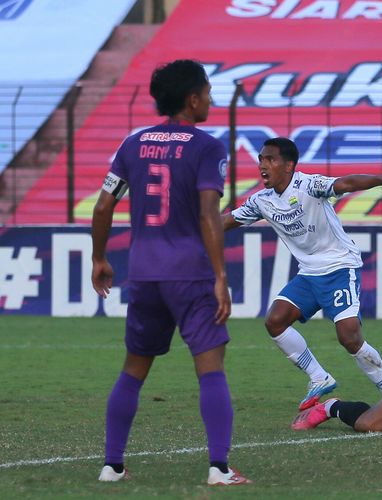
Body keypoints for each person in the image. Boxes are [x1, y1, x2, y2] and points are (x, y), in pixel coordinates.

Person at [91, 59, 249, 486]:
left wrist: (99, 258)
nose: (213, 99)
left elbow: (104, 205)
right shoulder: (207, 146)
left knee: (133, 368)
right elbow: (207, 214)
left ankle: (112, 465)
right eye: (209, 92)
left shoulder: (133, 143)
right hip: (191, 274)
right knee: (211, 369)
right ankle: (219, 468)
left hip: (143, 273)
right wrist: (220, 276)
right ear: (192, 98)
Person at [224, 137, 382, 410]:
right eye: (261, 160)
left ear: (289, 165)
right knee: (275, 321)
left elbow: (346, 184)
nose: (263, 165)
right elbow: (226, 221)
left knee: (349, 337)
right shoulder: (261, 201)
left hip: (340, 266)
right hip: (309, 273)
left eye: (270, 159)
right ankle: (318, 377)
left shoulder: (308, 185)